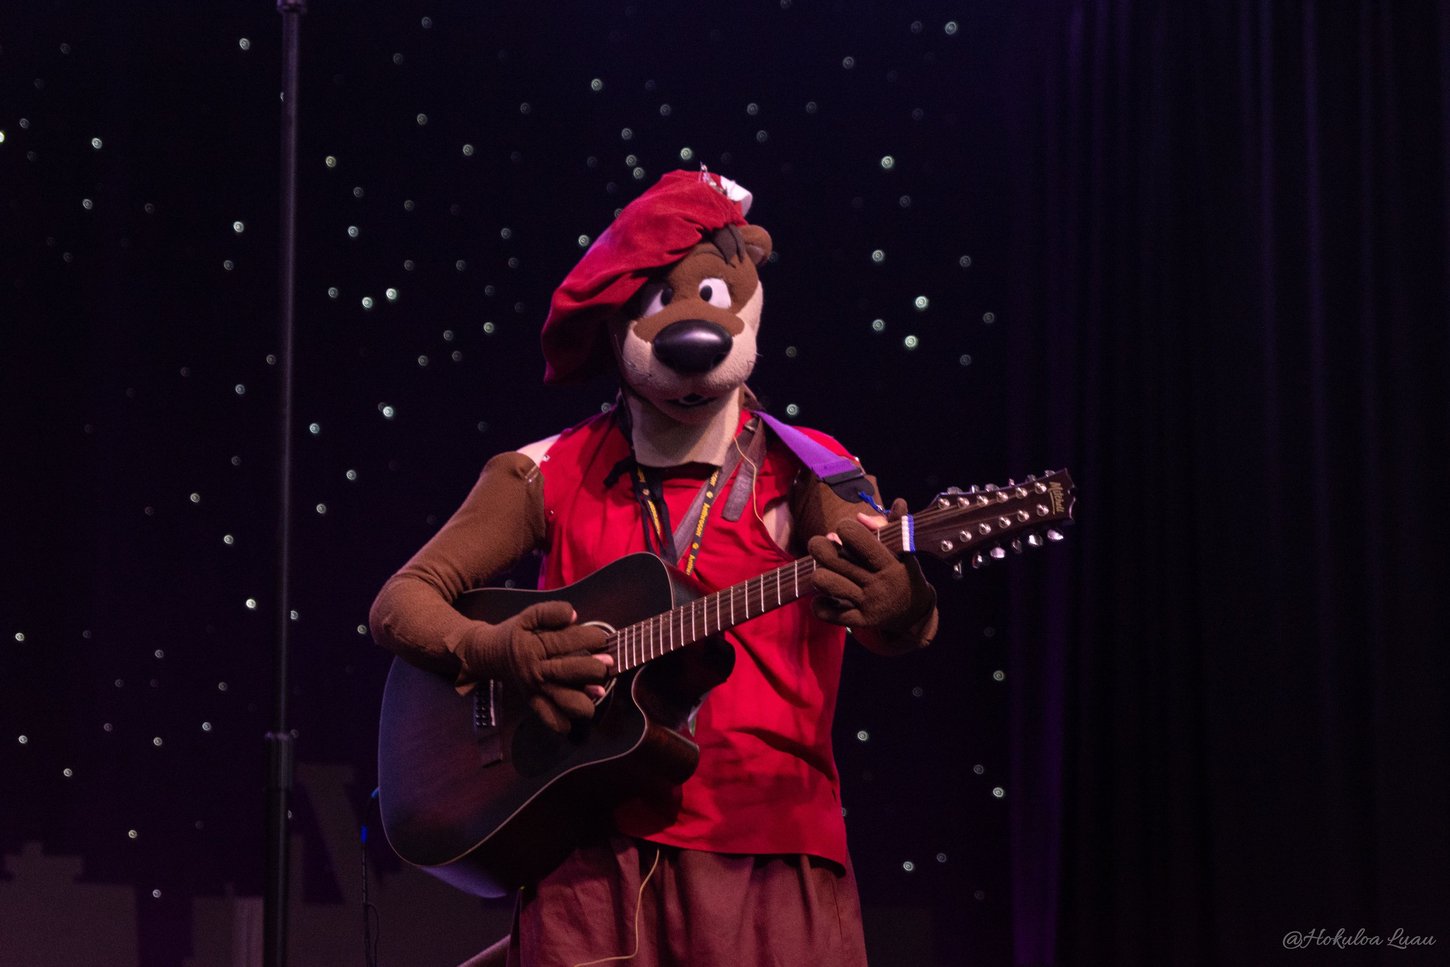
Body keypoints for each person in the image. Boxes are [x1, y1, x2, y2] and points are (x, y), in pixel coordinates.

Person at [370, 170, 938, 966]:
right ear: (612, 327)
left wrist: (902, 598)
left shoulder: (813, 469)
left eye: (711, 295)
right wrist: (499, 650)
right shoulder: (545, 469)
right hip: (590, 863)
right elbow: (402, 601)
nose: (689, 330)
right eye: (653, 305)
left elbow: (892, 612)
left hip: (770, 856)